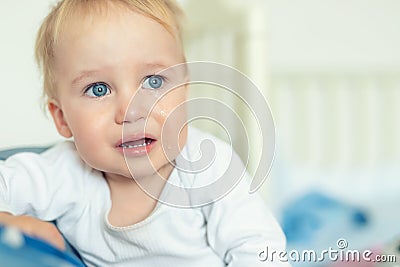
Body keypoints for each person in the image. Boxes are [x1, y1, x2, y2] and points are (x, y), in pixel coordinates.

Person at [0, 0, 289, 266]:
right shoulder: (62, 173)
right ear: (62, 118)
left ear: (185, 92)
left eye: (153, 81)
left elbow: (260, 250)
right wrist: (8, 222)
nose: (132, 111)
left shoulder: (210, 169)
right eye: (98, 89)